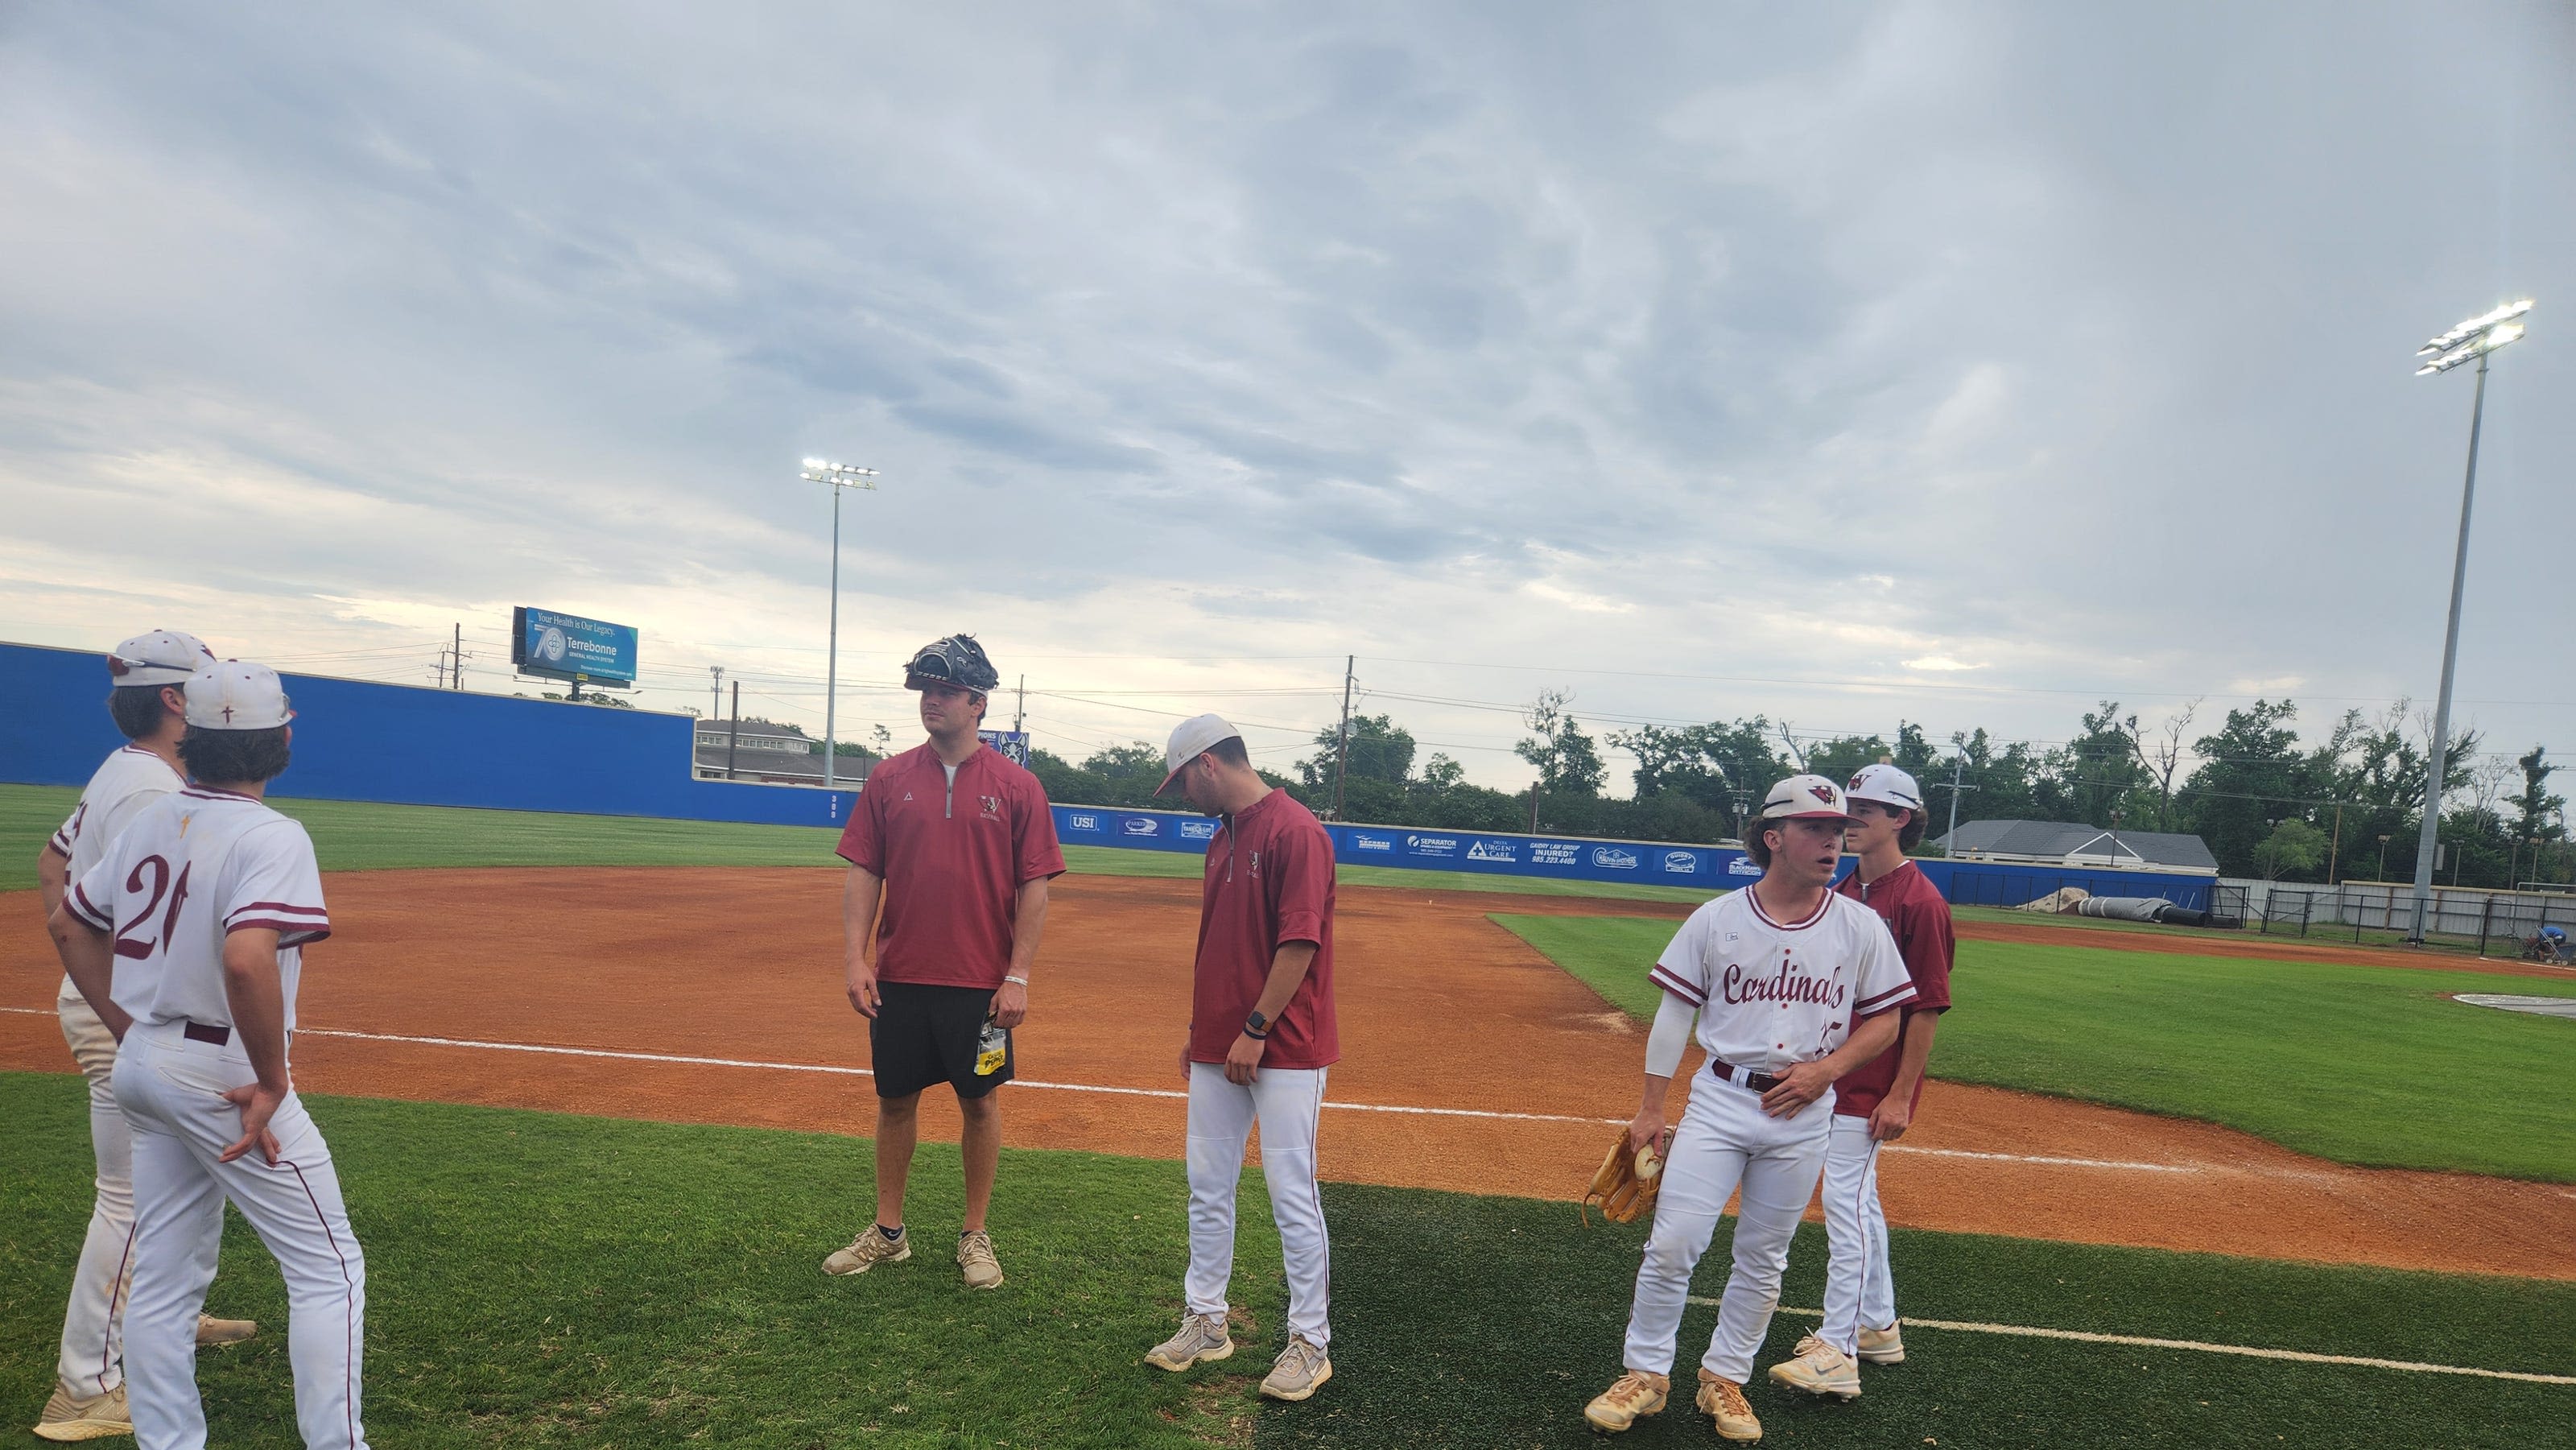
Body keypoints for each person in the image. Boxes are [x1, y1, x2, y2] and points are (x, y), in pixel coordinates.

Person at [49, 660, 367, 1450]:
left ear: (189, 733)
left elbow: (68, 922)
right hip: (224, 1076)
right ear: (281, 738)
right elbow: (246, 959)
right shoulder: (271, 834)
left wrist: (130, 1031)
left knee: (160, 1276)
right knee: (329, 1267)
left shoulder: (151, 821)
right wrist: (270, 1079)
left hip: (147, 1063)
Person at [1583, 775, 1916, 1442]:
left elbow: (1888, 1018)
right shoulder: (1717, 917)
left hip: (1802, 1114)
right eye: (1816, 828)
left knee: (1765, 1256)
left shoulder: (1859, 924)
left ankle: (1724, 1378)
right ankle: (1645, 1375)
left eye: (1839, 827)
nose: (1835, 839)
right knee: (1674, 1241)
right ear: (1773, 837)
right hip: (1720, 1099)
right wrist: (1652, 1108)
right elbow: (1676, 1012)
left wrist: (1828, 1069)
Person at [30, 631, 260, 1445]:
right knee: (132, 1201)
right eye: (202, 688)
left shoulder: (129, 772)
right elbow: (70, 906)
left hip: (128, 1012)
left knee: (183, 1183)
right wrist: (124, 1022)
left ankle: (165, 1318)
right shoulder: (145, 791)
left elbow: (53, 865)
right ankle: (85, 1388)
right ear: (175, 702)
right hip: (130, 1018)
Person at [824, 634, 1063, 1290]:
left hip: (980, 988)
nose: (932, 700)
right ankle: (888, 1232)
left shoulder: (1017, 786)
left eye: (946, 690)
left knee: (979, 1102)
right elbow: (864, 873)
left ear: (977, 702)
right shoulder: (889, 777)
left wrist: (1017, 975)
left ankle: (974, 1234)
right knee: (894, 1100)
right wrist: (856, 957)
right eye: (925, 689)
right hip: (900, 977)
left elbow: (1034, 886)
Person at [1141, 714, 1339, 1402]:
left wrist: (1255, 1025)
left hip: (1283, 1044)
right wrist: (1204, 1028)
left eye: (1182, 783)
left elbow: (1299, 943)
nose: (1182, 798)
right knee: (1208, 1184)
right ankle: (1206, 1320)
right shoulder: (1220, 839)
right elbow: (1219, 945)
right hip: (1218, 1042)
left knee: (1292, 1194)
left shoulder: (1296, 831)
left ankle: (1310, 1341)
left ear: (1209, 765)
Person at [1767, 762, 1955, 1402]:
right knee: (1859, 1202)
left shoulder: (1920, 902)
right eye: (1848, 814)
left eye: (1865, 813)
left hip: (1872, 1083)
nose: (1850, 824)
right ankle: (1876, 1327)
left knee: (1843, 1203)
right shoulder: (1843, 891)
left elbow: (1925, 1007)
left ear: (1900, 819)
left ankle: (1839, 1348)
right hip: (1832, 1073)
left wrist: (1901, 1093)